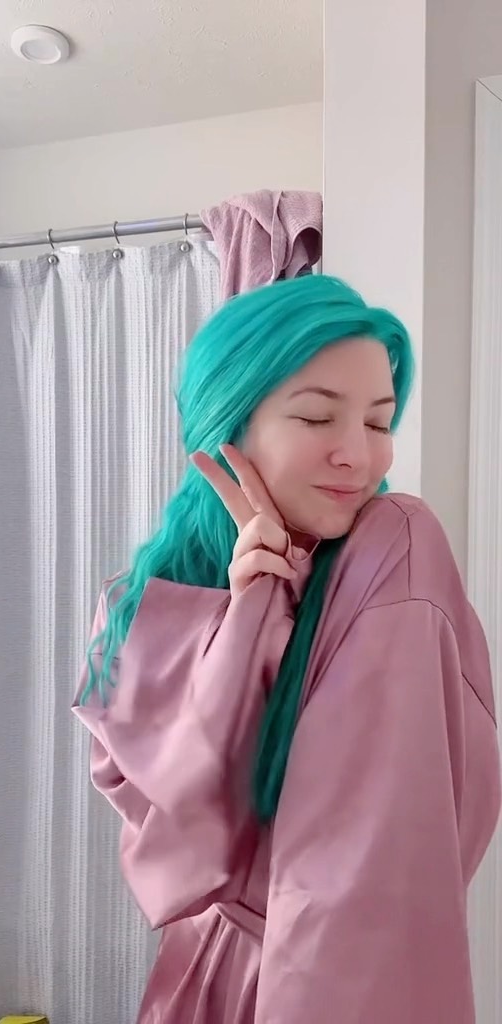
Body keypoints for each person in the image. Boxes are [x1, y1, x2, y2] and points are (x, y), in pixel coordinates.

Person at [73, 275, 501, 1024]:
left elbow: (372, 869)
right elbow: (179, 838)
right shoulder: (133, 605)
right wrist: (250, 616)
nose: (358, 456)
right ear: (227, 426)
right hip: (194, 982)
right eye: (317, 416)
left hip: (321, 982)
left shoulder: (396, 545)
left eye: (378, 422)